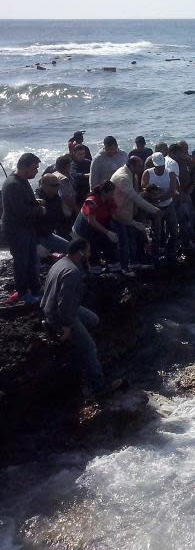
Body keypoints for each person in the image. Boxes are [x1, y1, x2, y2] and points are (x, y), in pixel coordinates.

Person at [41, 237, 120, 397]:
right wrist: (66, 326)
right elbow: (64, 304)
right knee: (90, 347)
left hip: (54, 306)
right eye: (88, 251)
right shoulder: (72, 272)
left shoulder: (61, 263)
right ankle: (98, 386)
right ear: (80, 252)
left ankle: (80, 343)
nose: (90, 254)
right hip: (60, 313)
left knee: (94, 320)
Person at [1, 153, 44, 304]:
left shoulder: (23, 180)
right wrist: (40, 210)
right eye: (34, 168)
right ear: (24, 167)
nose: (37, 171)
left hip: (27, 228)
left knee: (32, 260)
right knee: (21, 262)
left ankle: (35, 287)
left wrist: (35, 202)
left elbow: (27, 202)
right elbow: (21, 212)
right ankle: (23, 293)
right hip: (17, 230)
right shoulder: (13, 184)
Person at [111, 156, 160, 275]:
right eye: (139, 166)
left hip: (129, 213)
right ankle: (124, 268)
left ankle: (133, 262)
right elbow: (135, 197)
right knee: (124, 242)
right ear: (132, 165)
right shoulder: (123, 178)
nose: (142, 168)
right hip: (119, 214)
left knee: (132, 238)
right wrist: (154, 210)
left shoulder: (133, 174)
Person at [141, 152, 179, 264]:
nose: (160, 167)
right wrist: (155, 197)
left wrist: (158, 197)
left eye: (161, 165)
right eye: (158, 165)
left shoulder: (170, 174)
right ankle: (156, 254)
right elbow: (144, 189)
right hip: (155, 208)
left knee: (173, 230)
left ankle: (171, 251)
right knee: (157, 232)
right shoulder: (147, 173)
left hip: (168, 205)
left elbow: (172, 191)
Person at [73, 181, 119, 268]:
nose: (113, 195)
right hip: (85, 228)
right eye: (111, 193)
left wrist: (130, 222)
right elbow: (91, 221)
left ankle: (112, 263)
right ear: (104, 192)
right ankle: (93, 266)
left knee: (109, 242)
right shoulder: (92, 201)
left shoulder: (109, 200)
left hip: (100, 225)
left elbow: (115, 215)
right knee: (93, 246)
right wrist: (107, 232)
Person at [34, 174, 69, 254]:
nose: (58, 187)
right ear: (45, 186)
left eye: (58, 184)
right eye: (55, 185)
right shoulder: (37, 198)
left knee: (70, 248)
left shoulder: (56, 198)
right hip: (37, 237)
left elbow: (60, 219)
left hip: (49, 234)